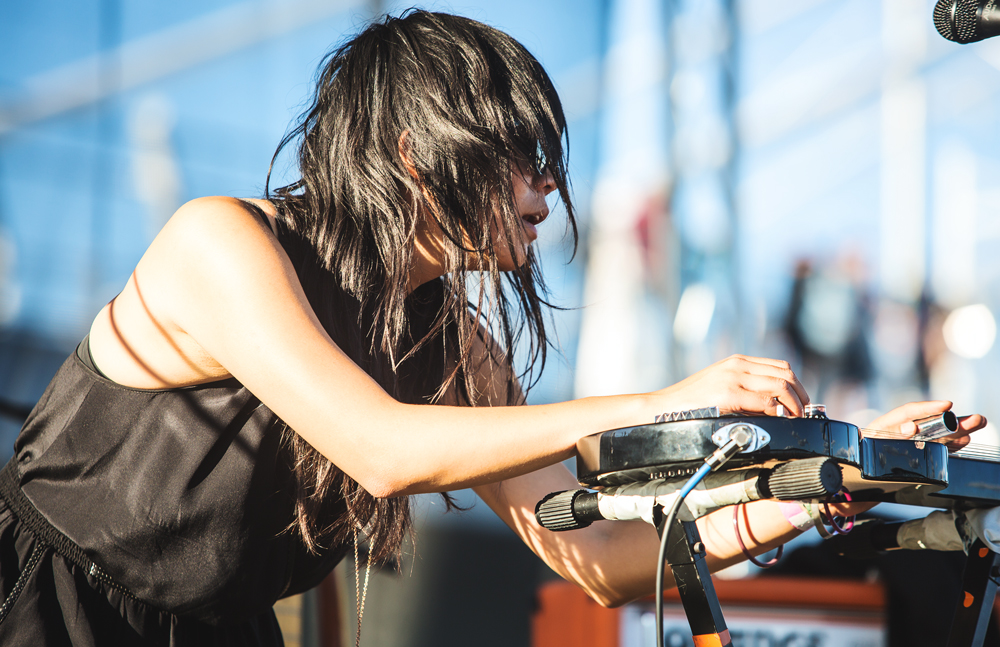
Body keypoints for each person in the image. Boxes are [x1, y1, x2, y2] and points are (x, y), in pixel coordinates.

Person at [0, 10, 983, 647]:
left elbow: (597, 559)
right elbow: (379, 448)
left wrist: (836, 482)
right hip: (51, 611)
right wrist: (664, 397)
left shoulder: (450, 340)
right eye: (520, 159)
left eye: (548, 163)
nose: (547, 191)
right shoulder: (220, 241)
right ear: (411, 153)